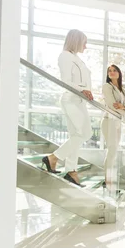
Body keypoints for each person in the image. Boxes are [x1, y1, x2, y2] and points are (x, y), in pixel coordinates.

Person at [42, 29, 94, 187]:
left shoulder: (76, 58)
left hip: (79, 101)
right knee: (85, 133)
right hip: (71, 99)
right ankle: (53, 158)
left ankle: (71, 171)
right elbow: (65, 80)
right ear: (76, 41)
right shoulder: (65, 56)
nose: (86, 46)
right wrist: (82, 89)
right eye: (84, 42)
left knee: (76, 136)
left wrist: (85, 91)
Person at [101, 64, 125, 188]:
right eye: (109, 71)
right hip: (109, 121)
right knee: (112, 150)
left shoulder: (123, 90)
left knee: (114, 151)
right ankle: (107, 181)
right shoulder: (107, 87)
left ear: (119, 73)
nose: (111, 72)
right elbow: (112, 105)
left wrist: (124, 107)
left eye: (114, 70)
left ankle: (109, 180)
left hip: (118, 122)